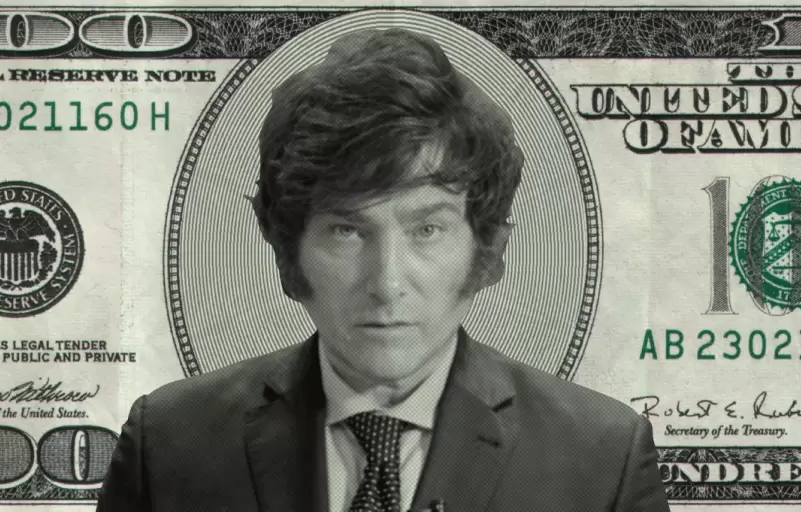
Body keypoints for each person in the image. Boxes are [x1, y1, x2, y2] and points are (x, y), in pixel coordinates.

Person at [97, 28, 670, 512]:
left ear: (484, 249)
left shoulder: (604, 459)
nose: (387, 282)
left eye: (428, 230)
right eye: (347, 231)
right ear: (289, 251)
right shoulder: (166, 446)